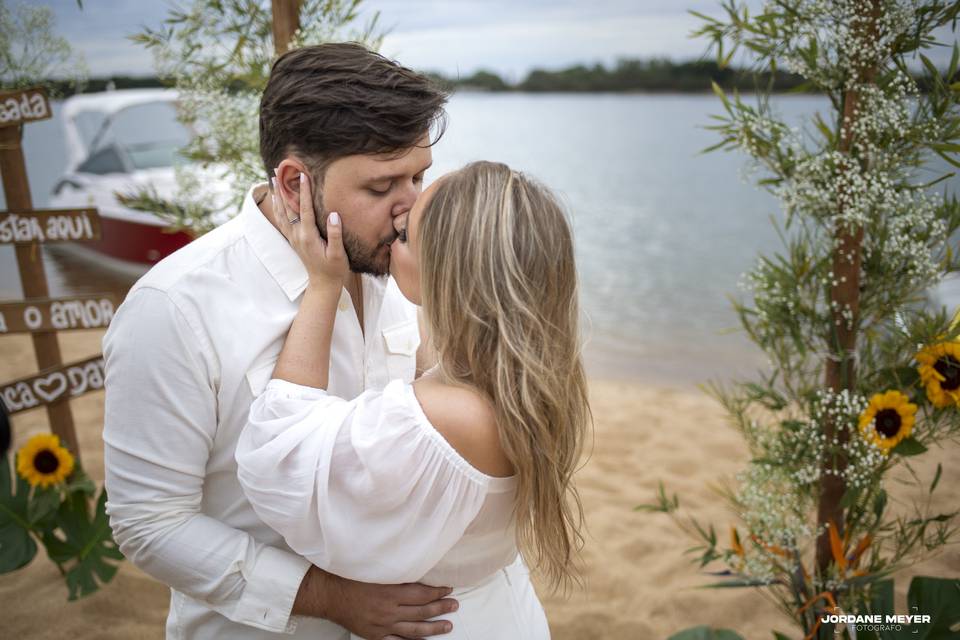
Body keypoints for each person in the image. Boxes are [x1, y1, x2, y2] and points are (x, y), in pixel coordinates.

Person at [102, 43, 461, 640]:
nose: (411, 209)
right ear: (295, 183)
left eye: (419, 177)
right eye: (381, 187)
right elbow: (150, 523)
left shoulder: (397, 267)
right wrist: (330, 598)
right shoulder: (174, 308)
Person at [235, 160, 591, 639]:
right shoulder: (535, 380)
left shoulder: (448, 416)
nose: (391, 230)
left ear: (448, 278)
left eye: (403, 237)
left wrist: (323, 286)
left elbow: (275, 458)